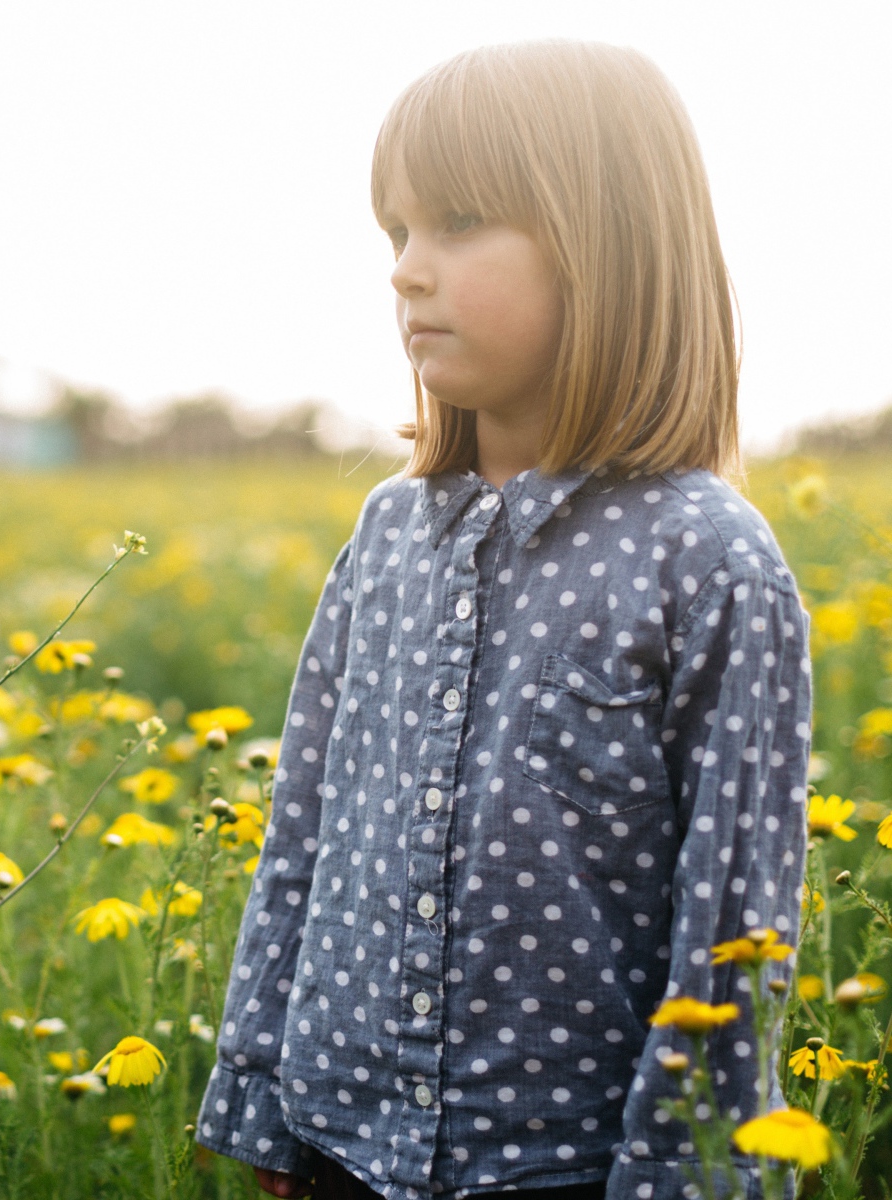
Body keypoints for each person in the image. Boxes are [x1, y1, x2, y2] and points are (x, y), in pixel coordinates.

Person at [195, 40, 811, 1200]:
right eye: (396, 233)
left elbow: (735, 920)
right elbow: (303, 835)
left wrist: (687, 1178)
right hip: (340, 1143)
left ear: (612, 250)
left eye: (462, 221)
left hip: (561, 1167)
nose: (407, 271)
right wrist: (262, 1098)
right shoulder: (386, 533)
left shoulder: (707, 558)